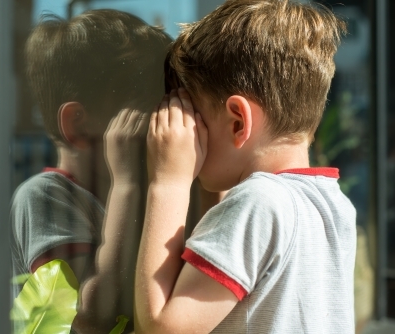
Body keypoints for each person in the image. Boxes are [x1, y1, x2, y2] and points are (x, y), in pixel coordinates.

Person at [135, 0, 356, 333]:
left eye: (194, 120)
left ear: (238, 122)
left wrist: (168, 183)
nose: (186, 135)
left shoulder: (258, 203)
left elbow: (161, 327)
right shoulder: (332, 205)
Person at [9, 9, 171, 333]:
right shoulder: (45, 197)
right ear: (77, 125)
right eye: (141, 123)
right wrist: (126, 185)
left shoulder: (139, 196)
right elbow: (92, 316)